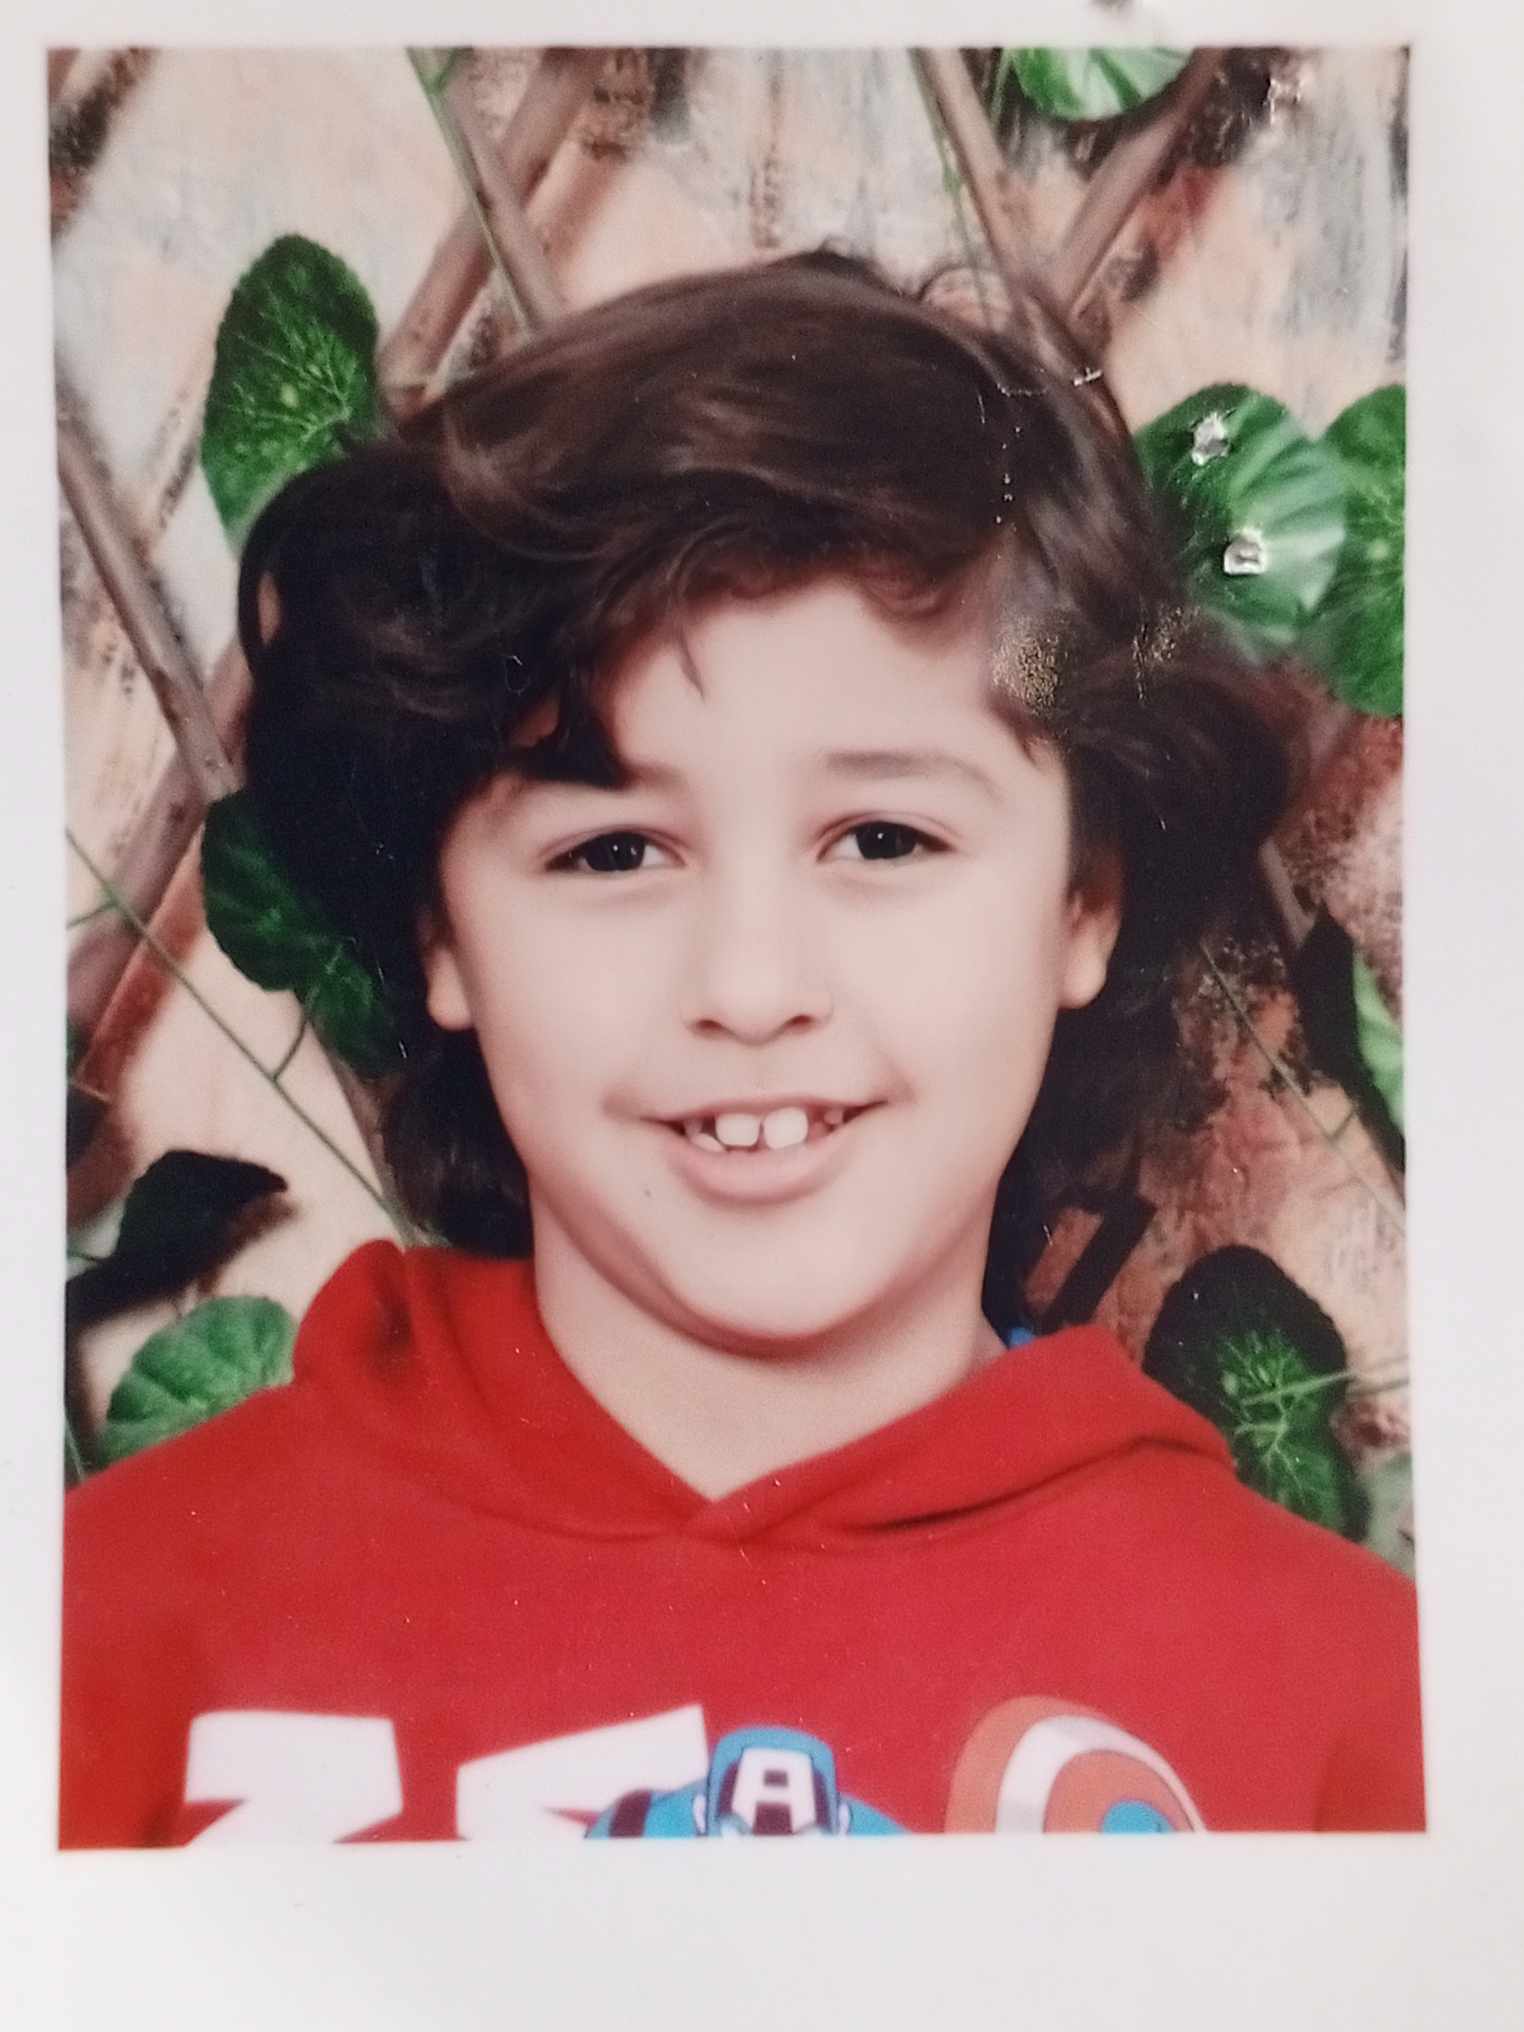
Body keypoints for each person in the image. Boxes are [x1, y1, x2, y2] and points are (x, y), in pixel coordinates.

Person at [60, 253, 1422, 1843]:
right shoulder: (104, 1642)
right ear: (441, 935)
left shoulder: (1355, 1716)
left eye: (885, 839)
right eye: (615, 853)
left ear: (1082, 902)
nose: (754, 987)